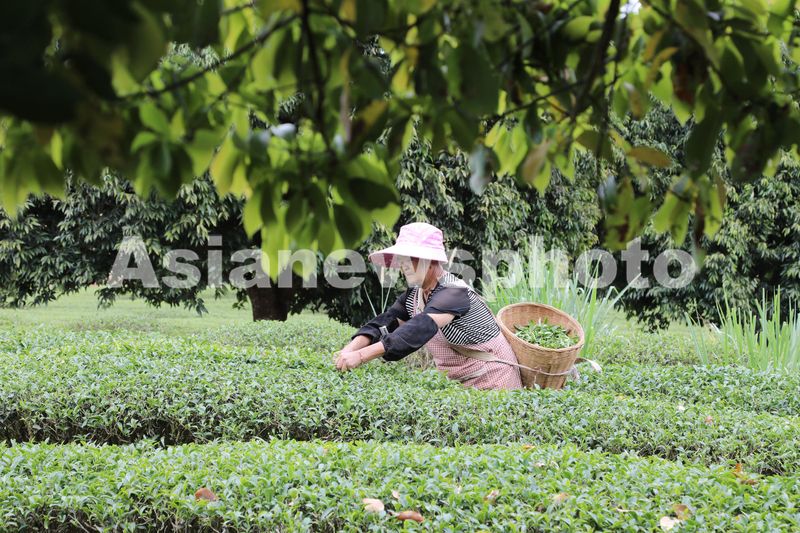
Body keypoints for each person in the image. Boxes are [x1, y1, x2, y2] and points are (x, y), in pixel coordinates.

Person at [335, 222, 522, 390]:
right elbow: (387, 322)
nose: (404, 266)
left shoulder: (454, 292)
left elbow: (420, 327)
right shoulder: (415, 295)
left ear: (431, 260)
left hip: (495, 381)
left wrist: (361, 357)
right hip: (461, 385)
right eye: (402, 260)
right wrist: (350, 349)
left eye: (410, 259)